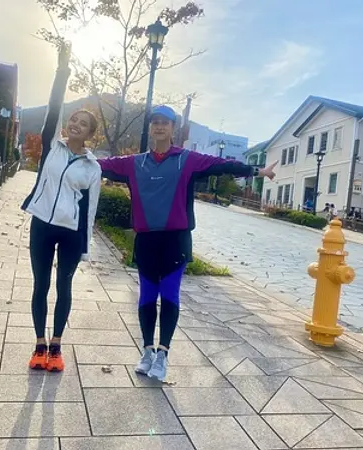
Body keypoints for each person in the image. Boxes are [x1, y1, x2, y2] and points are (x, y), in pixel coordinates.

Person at [98, 105, 276, 381]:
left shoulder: (186, 160)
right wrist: (72, 156)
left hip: (176, 240)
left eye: (165, 122)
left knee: (169, 294)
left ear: (173, 128)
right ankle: (147, 351)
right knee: (147, 296)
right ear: (150, 128)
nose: (159, 126)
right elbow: (100, 165)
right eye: (155, 122)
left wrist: (257, 171)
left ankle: (163, 354)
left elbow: (222, 165)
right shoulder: (134, 163)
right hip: (146, 240)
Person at [21, 43, 102, 373]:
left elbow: (91, 209)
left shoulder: (92, 167)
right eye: (73, 119)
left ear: (90, 134)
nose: (75, 124)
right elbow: (54, 107)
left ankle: (56, 346)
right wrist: (62, 69)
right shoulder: (52, 145)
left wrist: (86, 247)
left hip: (70, 232)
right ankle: (39, 344)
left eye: (83, 123)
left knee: (63, 287)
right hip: (42, 224)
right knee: (40, 285)